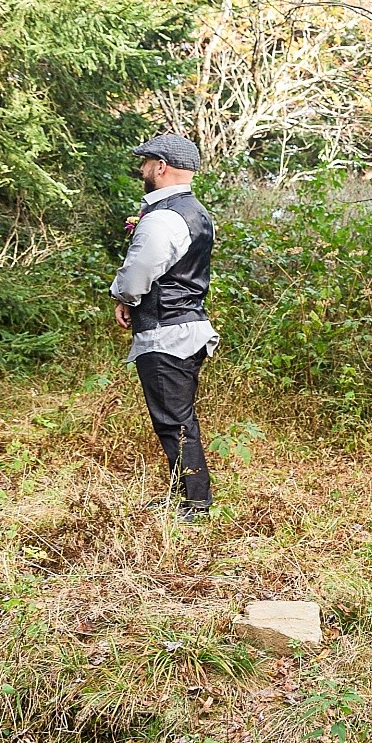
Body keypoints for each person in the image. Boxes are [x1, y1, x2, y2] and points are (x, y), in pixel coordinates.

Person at [110, 133, 219, 522]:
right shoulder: (197, 212)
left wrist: (124, 296)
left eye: (145, 162)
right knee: (175, 417)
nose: (141, 169)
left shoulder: (163, 217)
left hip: (165, 332)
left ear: (160, 166)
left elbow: (139, 271)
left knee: (174, 420)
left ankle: (195, 505)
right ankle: (183, 495)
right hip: (185, 328)